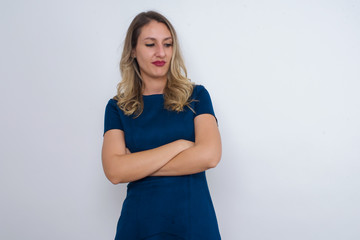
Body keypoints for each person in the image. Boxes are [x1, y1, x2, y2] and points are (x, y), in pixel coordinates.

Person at [102, 11, 222, 240]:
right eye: (150, 44)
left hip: (193, 223)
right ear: (133, 51)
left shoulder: (197, 96)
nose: (161, 53)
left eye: (167, 44)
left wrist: (135, 165)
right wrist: (179, 146)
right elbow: (115, 172)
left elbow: (210, 156)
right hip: (140, 225)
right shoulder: (117, 107)